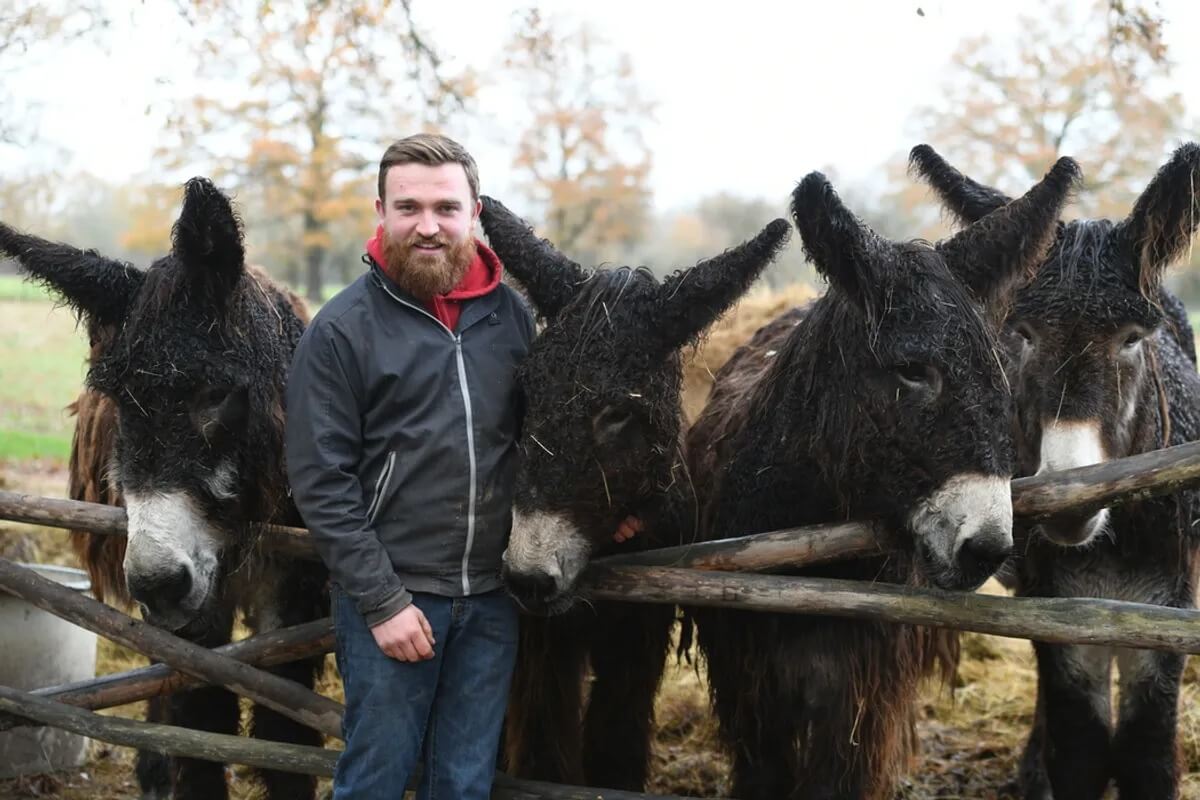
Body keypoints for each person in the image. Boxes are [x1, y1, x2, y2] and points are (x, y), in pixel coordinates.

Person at [285, 133, 535, 799]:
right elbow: (320, 480)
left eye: (446, 208)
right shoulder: (341, 331)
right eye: (409, 207)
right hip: (395, 599)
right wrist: (382, 600)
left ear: (474, 212)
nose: (428, 226)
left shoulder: (516, 320)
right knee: (375, 778)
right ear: (382, 211)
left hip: (492, 599)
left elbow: (549, 442)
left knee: (464, 783)